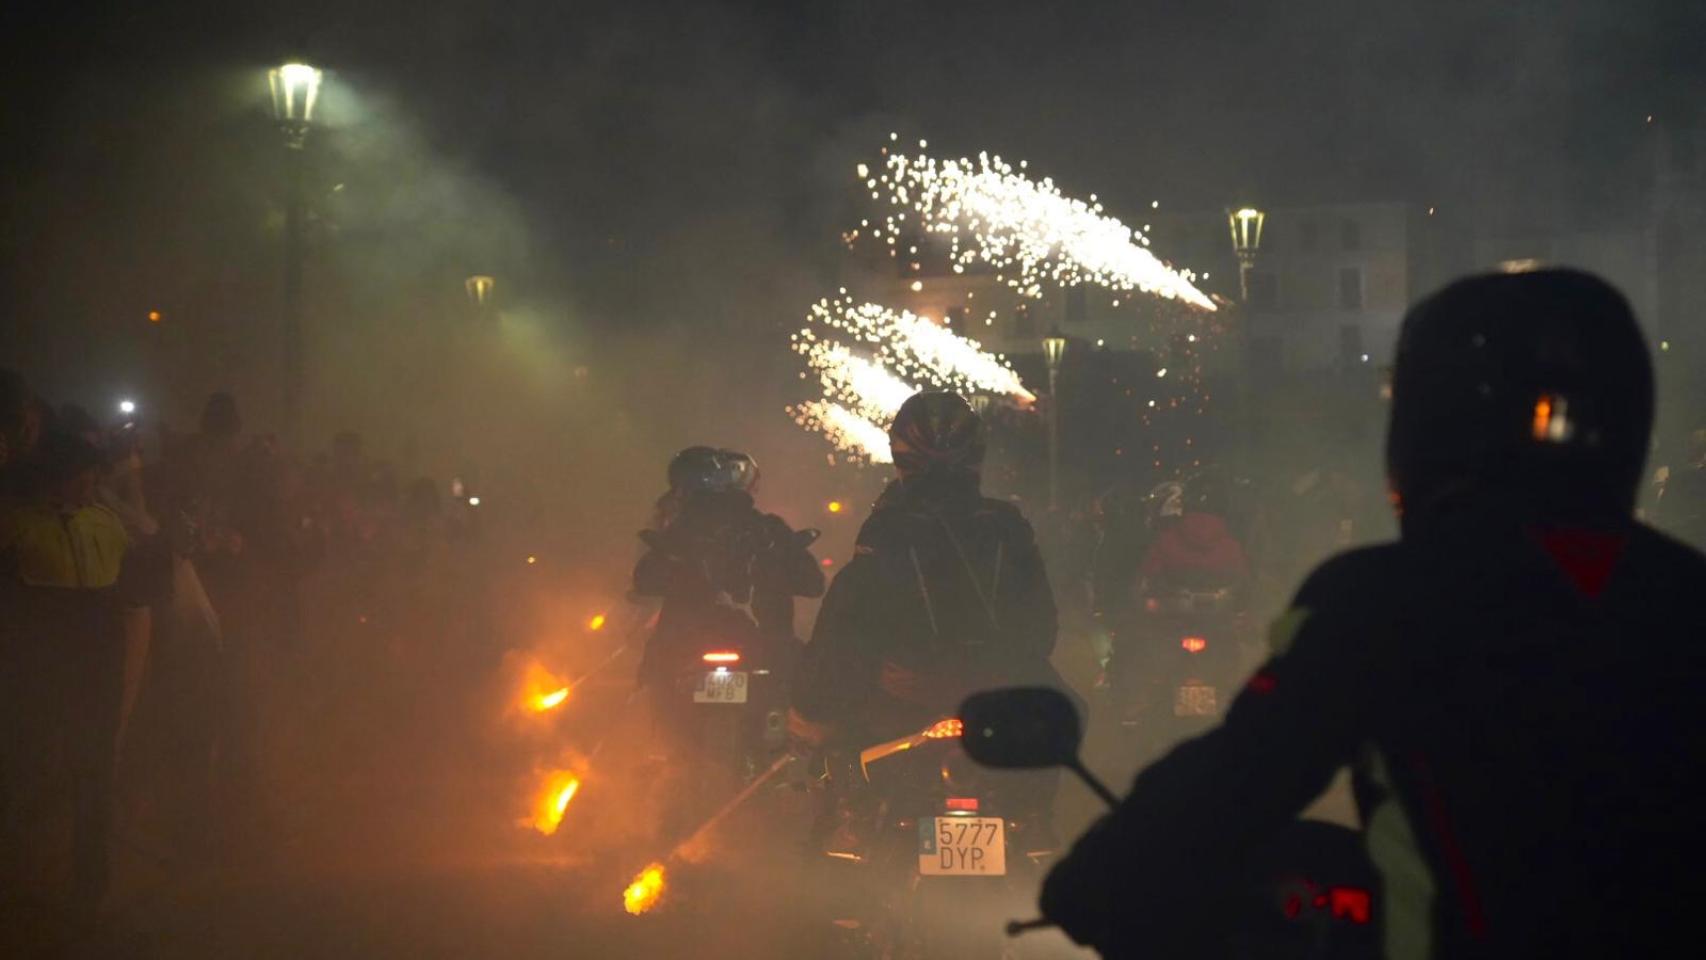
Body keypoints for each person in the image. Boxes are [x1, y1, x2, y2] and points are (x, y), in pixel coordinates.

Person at [1037, 270, 1706, 959]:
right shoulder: (1686, 593)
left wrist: (1096, 876)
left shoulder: (1385, 598)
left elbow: (1243, 774)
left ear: (1427, 424)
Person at [795, 392, 1061, 745]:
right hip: (995, 684)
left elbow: (849, 618)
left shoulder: (888, 525)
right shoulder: (1005, 523)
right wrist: (1001, 670)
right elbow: (1041, 622)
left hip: (903, 685)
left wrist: (820, 702)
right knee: (1068, 717)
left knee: (826, 738)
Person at [0, 431, 147, 923]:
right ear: (56, 479)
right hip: (41, 668)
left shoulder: (106, 523)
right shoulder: (17, 527)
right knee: (31, 770)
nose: (88, 484)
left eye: (92, 475)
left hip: (98, 664)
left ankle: (89, 888)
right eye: (80, 476)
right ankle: (24, 875)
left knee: (94, 773)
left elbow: (141, 564)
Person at [632, 446, 824, 690]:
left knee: (653, 686)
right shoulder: (769, 529)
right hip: (765, 649)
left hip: (685, 646)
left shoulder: (680, 531)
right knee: (805, 699)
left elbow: (643, 581)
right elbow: (812, 583)